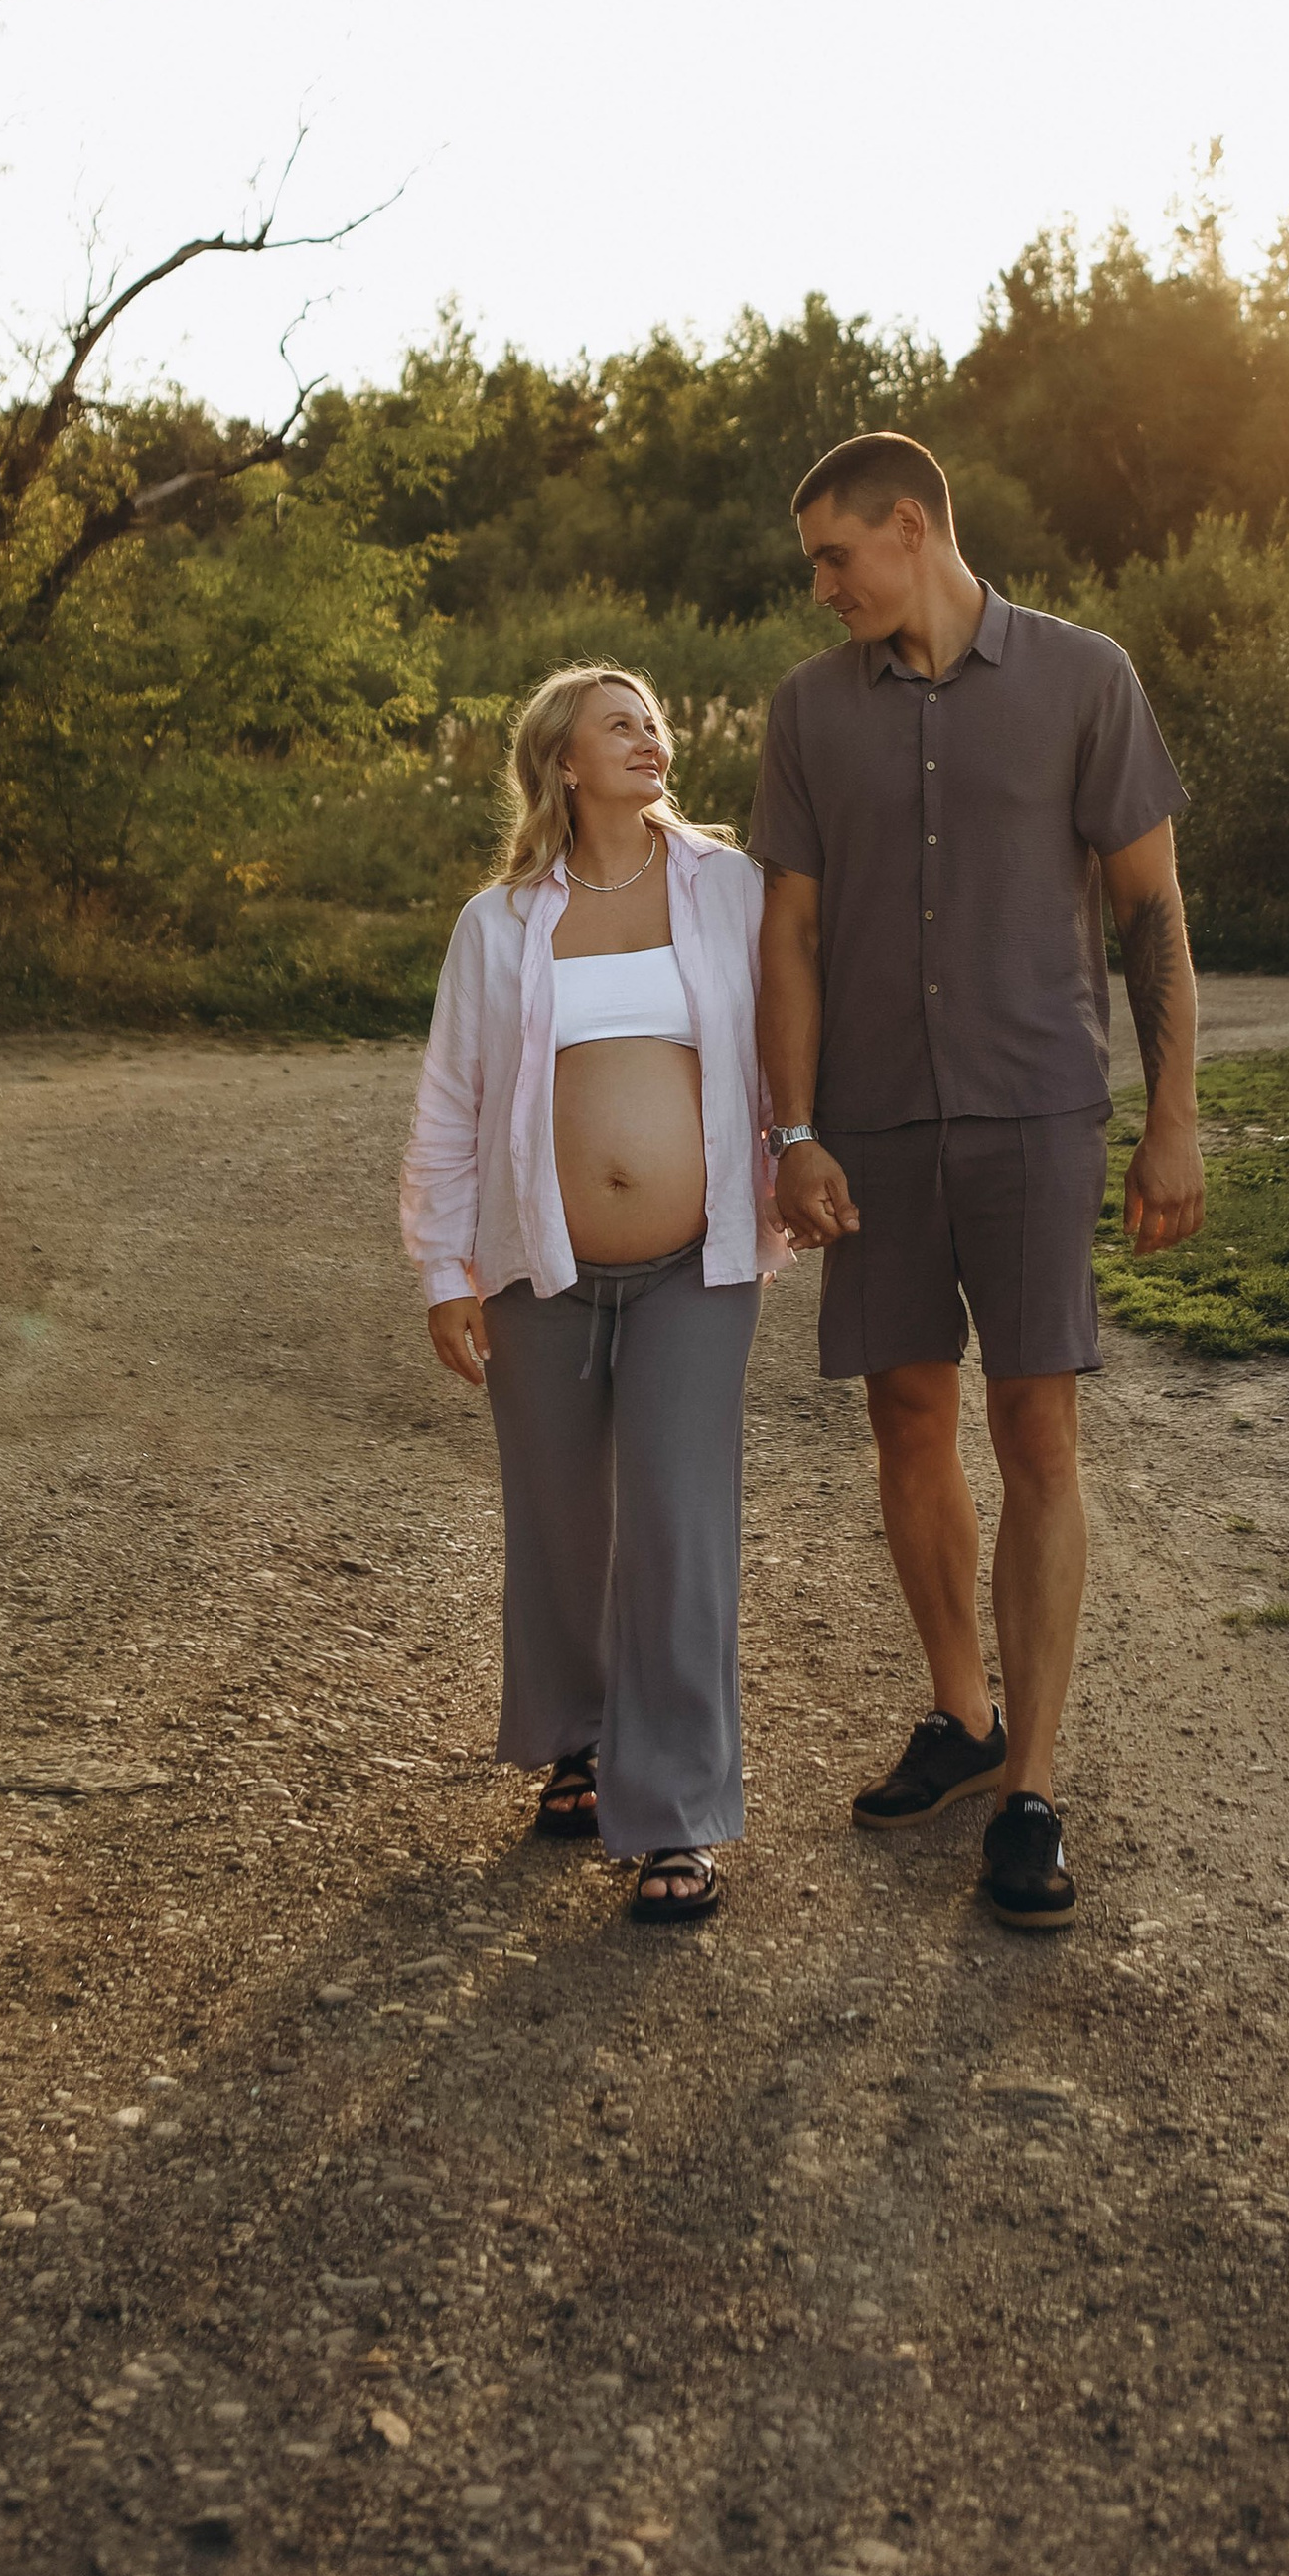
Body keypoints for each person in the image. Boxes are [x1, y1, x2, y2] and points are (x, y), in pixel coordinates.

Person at [750, 431, 1205, 1932]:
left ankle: (1035, 1791)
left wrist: (1173, 1118)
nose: (821, 587)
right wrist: (793, 1129)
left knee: (1037, 1424)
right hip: (874, 1126)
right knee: (904, 1413)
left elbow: (1151, 916)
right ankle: (962, 1719)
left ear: (909, 525)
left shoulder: (1086, 679)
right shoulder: (809, 713)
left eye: (833, 557)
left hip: (1036, 1112)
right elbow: (793, 938)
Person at [401, 665, 786, 1924]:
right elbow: (451, 1102)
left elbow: (791, 1031)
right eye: (618, 722)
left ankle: (673, 1816)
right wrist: (444, 1270)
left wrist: (807, 1154)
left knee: (677, 1527)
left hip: (694, 1263)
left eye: (657, 721)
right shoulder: (499, 922)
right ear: (562, 759)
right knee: (562, 1525)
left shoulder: (727, 888)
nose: (649, 737)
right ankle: (577, 1739)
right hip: (538, 1271)